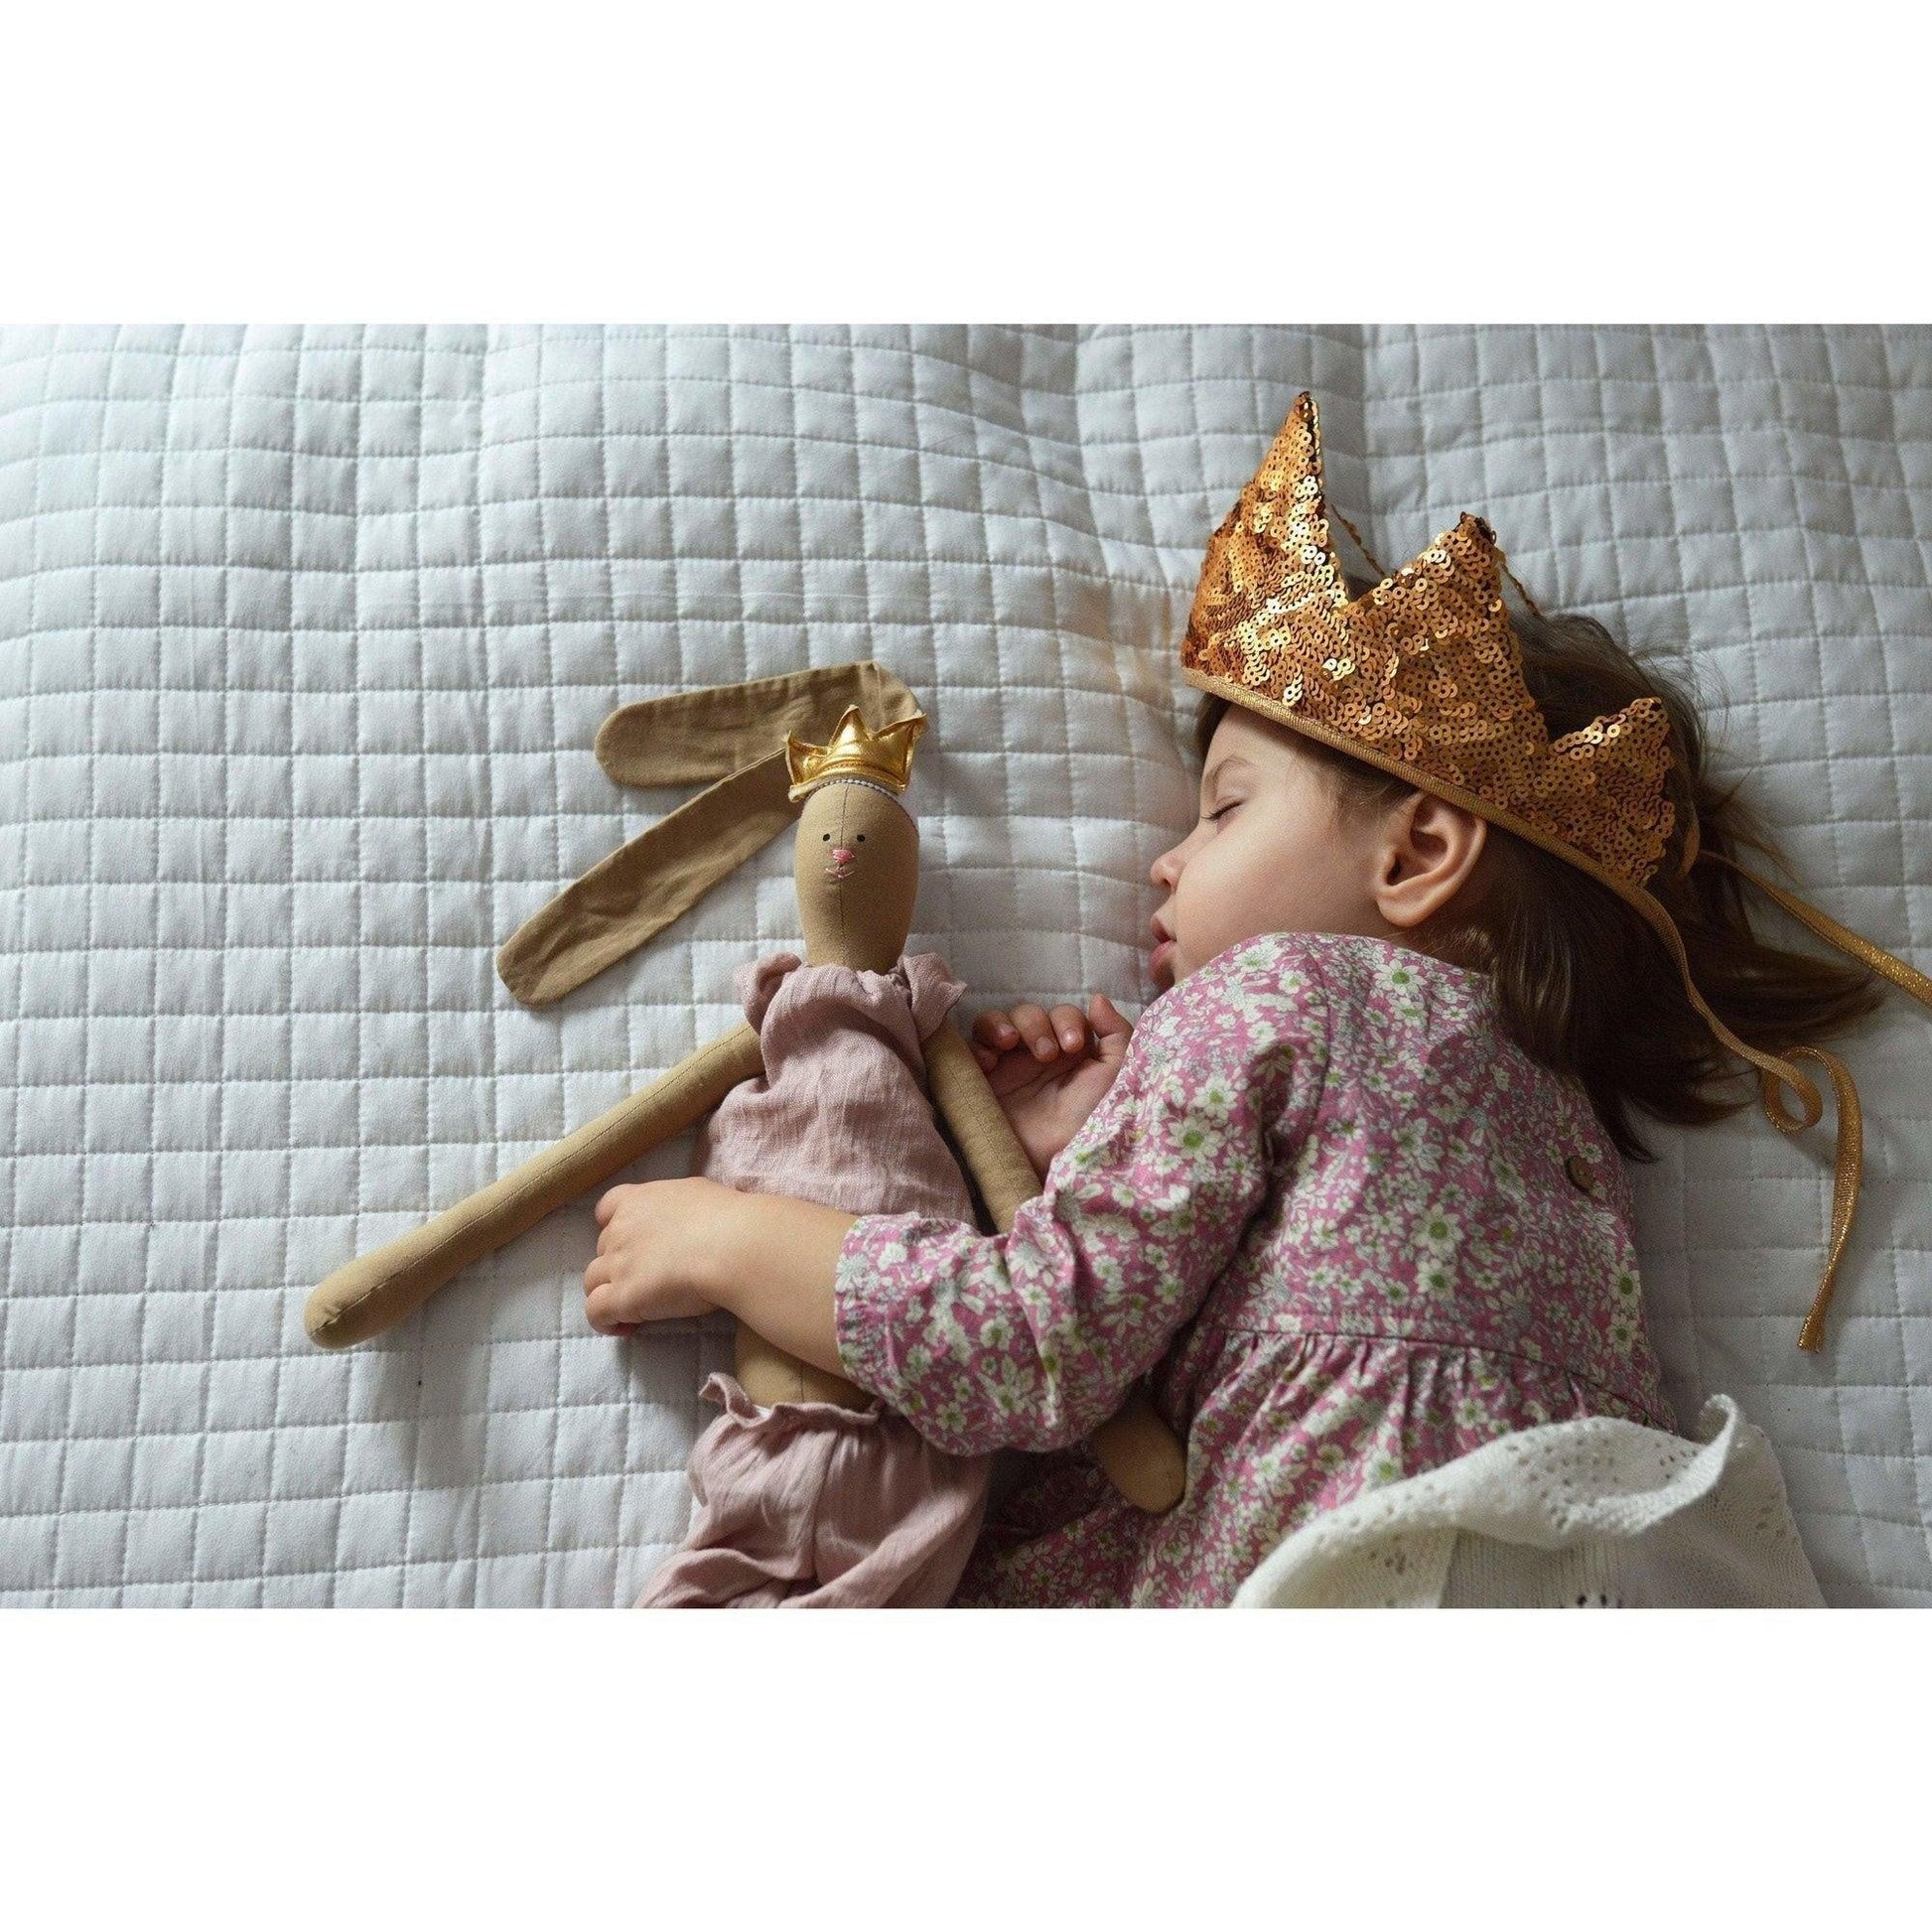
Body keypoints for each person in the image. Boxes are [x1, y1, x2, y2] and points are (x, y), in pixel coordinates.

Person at [586, 394, 1922, 1606]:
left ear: (1416, 854)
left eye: (1223, 810)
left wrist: (727, 1237)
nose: (1165, 862)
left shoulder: (1278, 995)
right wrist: (1091, 1147)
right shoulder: (1557, 1118)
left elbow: (1038, 1347)